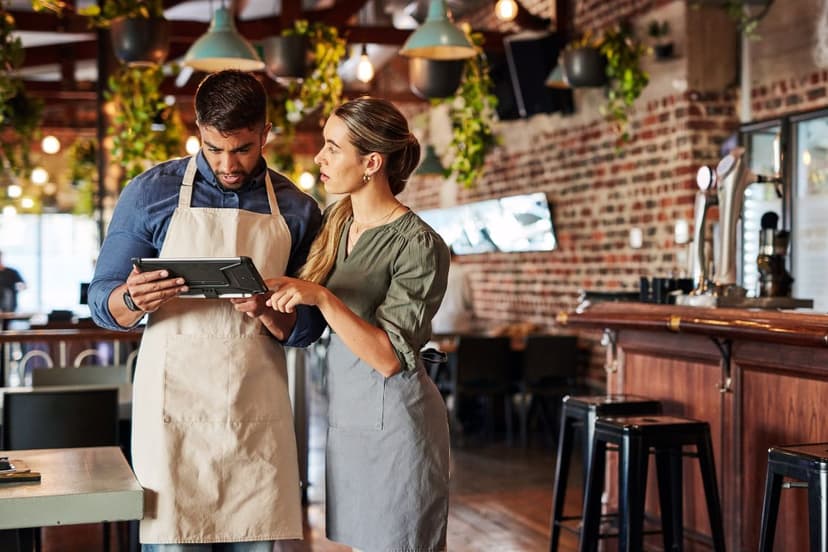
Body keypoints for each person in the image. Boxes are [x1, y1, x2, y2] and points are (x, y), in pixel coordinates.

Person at [88, 70, 325, 551]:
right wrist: (132, 298)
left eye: (242, 148)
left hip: (255, 413)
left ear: (265, 132)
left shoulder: (298, 210)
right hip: (173, 414)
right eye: (213, 148)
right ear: (198, 131)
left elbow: (309, 327)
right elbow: (102, 300)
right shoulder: (149, 193)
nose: (228, 163)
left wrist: (268, 309)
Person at [266, 97, 451, 551]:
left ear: (371, 162)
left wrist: (324, 298)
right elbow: (301, 322)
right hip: (348, 419)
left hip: (398, 423)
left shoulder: (420, 244)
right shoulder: (337, 221)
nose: (319, 157)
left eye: (332, 147)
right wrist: (263, 308)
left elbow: (389, 358)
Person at [430, 247, 474, 336]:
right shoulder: (462, 272)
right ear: (455, 256)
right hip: (459, 322)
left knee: (440, 349)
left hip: (439, 322)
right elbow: (468, 299)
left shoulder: (435, 272)